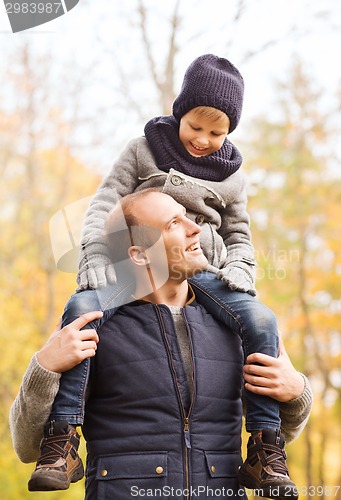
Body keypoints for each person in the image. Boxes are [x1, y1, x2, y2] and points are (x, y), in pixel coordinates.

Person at [26, 54, 299, 495]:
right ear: (178, 113)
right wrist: (95, 255)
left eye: (217, 132)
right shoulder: (144, 149)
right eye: (195, 126)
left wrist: (242, 266)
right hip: (135, 272)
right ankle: (62, 441)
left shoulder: (231, 175)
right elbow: (103, 203)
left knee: (262, 319)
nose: (203, 140)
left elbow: (239, 232)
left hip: (209, 274)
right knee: (81, 306)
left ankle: (266, 451)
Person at [10, 191, 313, 499]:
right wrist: (45, 367)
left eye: (187, 216)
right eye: (173, 224)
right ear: (139, 254)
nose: (195, 228)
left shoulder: (235, 327)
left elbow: (276, 444)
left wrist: (296, 393)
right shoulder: (92, 328)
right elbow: (27, 447)